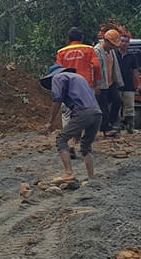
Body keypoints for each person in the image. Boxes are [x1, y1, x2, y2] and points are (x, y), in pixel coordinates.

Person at [43, 63, 101, 182]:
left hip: (83, 112)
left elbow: (57, 100)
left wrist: (51, 122)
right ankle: (92, 178)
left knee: (61, 139)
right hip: (97, 112)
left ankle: (68, 173)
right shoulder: (79, 78)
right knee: (86, 146)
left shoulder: (58, 77)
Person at [55, 27, 102, 157]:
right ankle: (79, 144)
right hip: (86, 86)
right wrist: (97, 83)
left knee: (67, 115)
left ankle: (69, 142)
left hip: (68, 87)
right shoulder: (89, 49)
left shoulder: (61, 52)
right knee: (85, 115)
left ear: (69, 39)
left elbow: (58, 70)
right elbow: (97, 66)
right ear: (81, 38)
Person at [94, 29, 126, 136]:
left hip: (111, 82)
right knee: (103, 106)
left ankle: (111, 123)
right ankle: (105, 129)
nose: (113, 47)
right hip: (101, 84)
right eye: (112, 44)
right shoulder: (97, 51)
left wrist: (118, 81)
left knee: (118, 101)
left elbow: (114, 68)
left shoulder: (111, 51)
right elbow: (95, 69)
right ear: (105, 41)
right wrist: (96, 85)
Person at [117, 31, 141, 134]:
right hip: (116, 85)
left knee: (129, 106)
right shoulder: (113, 54)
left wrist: (138, 84)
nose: (124, 43)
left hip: (129, 84)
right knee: (116, 106)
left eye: (126, 41)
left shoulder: (132, 56)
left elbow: (135, 71)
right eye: (122, 41)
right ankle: (117, 127)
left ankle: (130, 127)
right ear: (118, 42)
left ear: (128, 44)